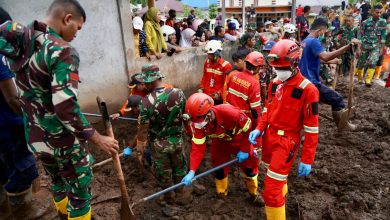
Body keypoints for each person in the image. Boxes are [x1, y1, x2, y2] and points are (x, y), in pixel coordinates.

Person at [0, 1, 119, 219]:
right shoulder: (62, 51)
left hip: (36, 138)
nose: (76, 34)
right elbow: (65, 108)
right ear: (67, 19)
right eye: (78, 28)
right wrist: (97, 137)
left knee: (56, 181)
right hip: (62, 141)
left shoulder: (22, 40)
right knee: (79, 194)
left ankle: (63, 215)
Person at [248, 39, 320, 220]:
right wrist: (260, 128)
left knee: (270, 193)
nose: (277, 72)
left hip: (286, 142)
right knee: (273, 176)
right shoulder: (274, 84)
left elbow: (311, 129)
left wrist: (307, 159)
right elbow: (267, 108)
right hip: (269, 138)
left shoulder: (308, 90)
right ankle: (282, 194)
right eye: (275, 68)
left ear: (295, 63)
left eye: (281, 68)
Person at [181, 93, 261, 203]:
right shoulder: (198, 124)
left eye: (199, 121)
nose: (197, 125)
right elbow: (197, 148)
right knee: (219, 170)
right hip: (220, 145)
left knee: (249, 169)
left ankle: (254, 194)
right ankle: (221, 194)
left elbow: (247, 128)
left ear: (208, 113)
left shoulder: (230, 113)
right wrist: (192, 170)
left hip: (240, 142)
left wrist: (245, 149)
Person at [0, 8, 39, 219]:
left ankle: (5, 211)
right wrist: (31, 120)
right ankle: (24, 213)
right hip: (9, 125)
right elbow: (12, 98)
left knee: (3, 170)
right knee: (22, 169)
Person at [134, 64, 187, 204]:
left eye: (145, 82)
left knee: (163, 172)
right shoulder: (179, 93)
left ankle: (169, 197)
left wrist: (140, 150)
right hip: (177, 140)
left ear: (150, 81)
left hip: (158, 145)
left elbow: (143, 130)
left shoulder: (145, 102)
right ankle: (181, 192)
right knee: (179, 166)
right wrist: (189, 132)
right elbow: (186, 116)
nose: (144, 85)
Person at [299, 18, 360, 131]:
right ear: (320, 30)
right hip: (311, 82)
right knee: (337, 99)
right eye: (324, 31)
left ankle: (303, 129)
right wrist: (347, 47)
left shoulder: (305, 41)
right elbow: (325, 56)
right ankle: (343, 125)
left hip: (302, 81)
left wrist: (333, 61)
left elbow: (314, 58)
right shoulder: (314, 41)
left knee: (308, 106)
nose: (324, 34)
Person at [226, 51, 263, 131]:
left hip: (230, 115)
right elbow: (255, 110)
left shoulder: (234, 76)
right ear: (257, 67)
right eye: (260, 67)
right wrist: (258, 127)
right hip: (243, 120)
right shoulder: (254, 83)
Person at [356, 4, 387, 86]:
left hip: (376, 46)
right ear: (372, 12)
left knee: (373, 62)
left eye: (380, 12)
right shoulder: (365, 22)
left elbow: (383, 36)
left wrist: (382, 48)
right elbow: (360, 36)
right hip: (364, 46)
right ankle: (360, 78)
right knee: (361, 63)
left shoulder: (383, 22)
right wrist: (358, 48)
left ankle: (368, 80)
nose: (379, 14)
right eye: (377, 12)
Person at [199, 40, 232, 104]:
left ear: (217, 53)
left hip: (218, 98)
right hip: (206, 96)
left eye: (211, 54)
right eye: (208, 54)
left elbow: (227, 84)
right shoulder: (207, 62)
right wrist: (201, 88)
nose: (208, 56)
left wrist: (219, 93)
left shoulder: (226, 66)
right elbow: (204, 77)